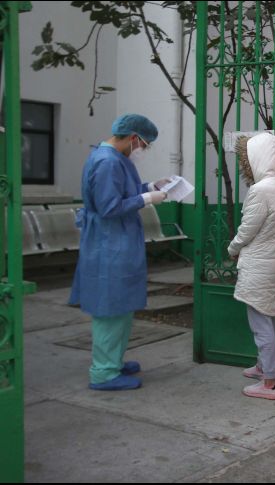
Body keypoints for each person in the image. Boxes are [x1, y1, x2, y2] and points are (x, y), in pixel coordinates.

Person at [69, 114, 169, 391]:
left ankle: (112, 360)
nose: (142, 151)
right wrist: (146, 199)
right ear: (133, 138)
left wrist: (150, 187)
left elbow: (123, 192)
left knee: (122, 305)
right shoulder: (107, 161)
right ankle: (103, 372)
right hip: (108, 243)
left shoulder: (115, 160)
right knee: (110, 307)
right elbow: (109, 207)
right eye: (144, 145)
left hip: (116, 241)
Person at [228, 133, 275, 400]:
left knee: (260, 323)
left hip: (258, 264)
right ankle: (261, 367)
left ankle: (268, 383)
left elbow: (247, 230)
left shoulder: (260, 190)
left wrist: (232, 248)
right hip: (274, 262)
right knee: (268, 317)